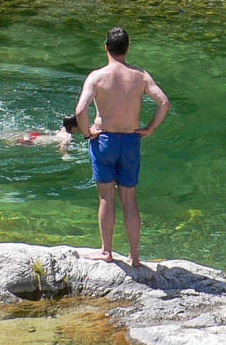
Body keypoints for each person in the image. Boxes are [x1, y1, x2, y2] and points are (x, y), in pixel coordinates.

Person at [73, 27, 170, 266]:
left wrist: (87, 133)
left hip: (104, 140)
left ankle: (107, 250)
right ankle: (135, 257)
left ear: (106, 47)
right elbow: (164, 103)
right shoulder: (141, 76)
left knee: (106, 198)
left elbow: (80, 110)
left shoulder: (97, 76)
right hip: (130, 141)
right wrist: (149, 129)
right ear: (127, 49)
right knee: (130, 200)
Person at [0, 114, 81, 157]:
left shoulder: (62, 129)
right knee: (7, 142)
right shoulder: (67, 136)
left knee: (1, 135)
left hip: (34, 135)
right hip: (31, 142)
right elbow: (62, 146)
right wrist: (66, 155)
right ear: (73, 128)